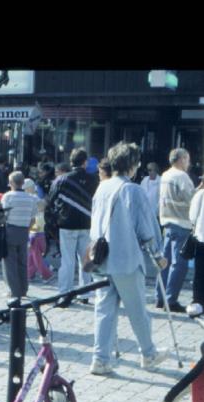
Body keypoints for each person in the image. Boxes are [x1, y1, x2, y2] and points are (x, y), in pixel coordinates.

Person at [89, 142, 168, 375]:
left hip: (101, 259)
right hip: (126, 258)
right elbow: (145, 228)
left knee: (104, 310)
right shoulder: (132, 190)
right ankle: (148, 353)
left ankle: (100, 358)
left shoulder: (102, 188)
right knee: (137, 310)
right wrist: (157, 255)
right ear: (132, 165)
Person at [47, 148, 99, 297]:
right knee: (86, 259)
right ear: (85, 162)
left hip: (66, 225)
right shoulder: (94, 180)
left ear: (71, 162)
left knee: (67, 260)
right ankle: (85, 293)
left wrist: (52, 223)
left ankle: (65, 292)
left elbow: (50, 202)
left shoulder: (61, 180)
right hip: (87, 224)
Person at [156, 148, 196, 311]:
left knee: (165, 262)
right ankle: (171, 300)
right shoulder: (182, 176)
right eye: (187, 159)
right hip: (181, 223)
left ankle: (160, 297)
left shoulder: (165, 175)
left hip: (167, 222)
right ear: (181, 159)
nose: (188, 163)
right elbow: (192, 199)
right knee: (179, 264)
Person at [0, 171, 38, 298]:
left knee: (9, 262)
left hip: (10, 230)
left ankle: (14, 291)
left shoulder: (8, 196)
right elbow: (33, 219)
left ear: (11, 183)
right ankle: (23, 289)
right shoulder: (31, 198)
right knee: (22, 261)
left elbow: (4, 216)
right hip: (24, 230)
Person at [24, 178, 53, 282]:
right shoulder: (35, 197)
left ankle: (47, 274)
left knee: (36, 256)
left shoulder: (30, 198)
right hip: (38, 230)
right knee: (32, 254)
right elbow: (44, 205)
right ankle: (29, 274)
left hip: (34, 231)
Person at [189, 183, 204, 308]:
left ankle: (198, 299)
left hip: (201, 237)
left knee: (199, 271)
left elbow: (192, 216)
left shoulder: (200, 194)